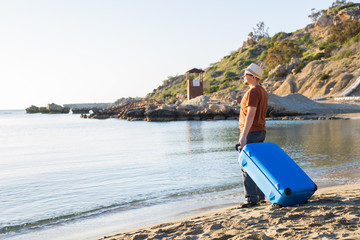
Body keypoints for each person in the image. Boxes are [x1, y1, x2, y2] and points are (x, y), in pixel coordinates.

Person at [237, 63, 268, 208]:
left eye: (246, 74)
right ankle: (260, 196)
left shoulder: (254, 91)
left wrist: (243, 136)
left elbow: (250, 114)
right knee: (256, 164)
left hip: (252, 131)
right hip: (260, 130)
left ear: (253, 77)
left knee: (246, 164)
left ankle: (251, 198)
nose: (243, 76)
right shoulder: (263, 91)